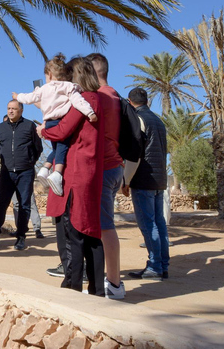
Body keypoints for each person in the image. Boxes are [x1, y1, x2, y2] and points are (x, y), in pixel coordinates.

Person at [40, 57, 105, 296]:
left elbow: (62, 129)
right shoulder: (96, 99)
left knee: (74, 232)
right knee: (90, 233)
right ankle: (97, 290)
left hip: (77, 172)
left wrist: (43, 129)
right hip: (88, 171)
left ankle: (72, 286)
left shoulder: (84, 100)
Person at [13, 54, 97, 197]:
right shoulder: (69, 87)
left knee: (56, 147)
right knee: (62, 147)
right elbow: (78, 102)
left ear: (50, 74)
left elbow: (29, 98)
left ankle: (45, 169)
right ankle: (57, 173)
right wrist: (90, 113)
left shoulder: (43, 89)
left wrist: (17, 96)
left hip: (49, 122)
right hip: (60, 121)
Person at [87, 52, 127, 299]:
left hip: (104, 167)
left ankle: (114, 284)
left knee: (105, 227)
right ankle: (109, 281)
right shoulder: (114, 95)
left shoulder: (100, 98)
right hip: (115, 166)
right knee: (104, 226)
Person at [0, 100, 42, 251]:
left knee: (24, 205)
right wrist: (5, 161)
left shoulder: (29, 126)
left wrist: (28, 162)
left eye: (14, 109)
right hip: (6, 172)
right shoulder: (1, 128)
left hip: (25, 172)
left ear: (21, 110)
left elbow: (37, 148)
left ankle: (21, 237)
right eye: (9, 108)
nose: (11, 111)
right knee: (0, 204)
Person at [123, 87, 170, 280]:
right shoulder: (158, 121)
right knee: (159, 223)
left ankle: (155, 266)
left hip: (144, 179)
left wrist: (125, 180)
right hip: (159, 180)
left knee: (148, 224)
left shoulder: (137, 120)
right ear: (147, 101)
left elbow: (135, 153)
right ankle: (162, 265)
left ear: (129, 101)